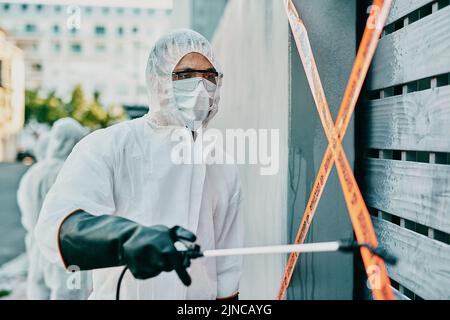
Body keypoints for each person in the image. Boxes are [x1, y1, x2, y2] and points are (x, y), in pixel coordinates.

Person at [35, 29, 244, 300]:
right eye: (185, 76)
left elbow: (227, 273)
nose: (201, 87)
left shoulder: (222, 166)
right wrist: (126, 238)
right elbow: (56, 228)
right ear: (158, 83)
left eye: (209, 76)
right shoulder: (110, 146)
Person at [17, 118, 91, 299]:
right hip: (64, 252)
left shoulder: (33, 174)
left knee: (37, 292)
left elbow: (26, 216)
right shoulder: (71, 173)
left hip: (36, 248)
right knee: (68, 294)